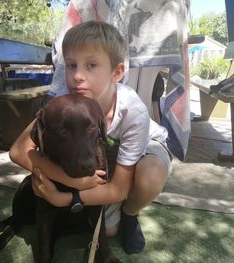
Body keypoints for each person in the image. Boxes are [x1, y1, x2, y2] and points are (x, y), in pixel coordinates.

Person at [9, 20, 172, 255]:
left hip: (145, 147)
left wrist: (62, 198)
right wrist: (72, 180)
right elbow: (17, 151)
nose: (77, 76)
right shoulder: (66, 101)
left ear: (116, 73)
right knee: (107, 231)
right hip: (98, 151)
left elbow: (116, 191)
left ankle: (130, 215)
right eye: (71, 65)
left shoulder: (134, 112)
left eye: (91, 65)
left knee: (149, 176)